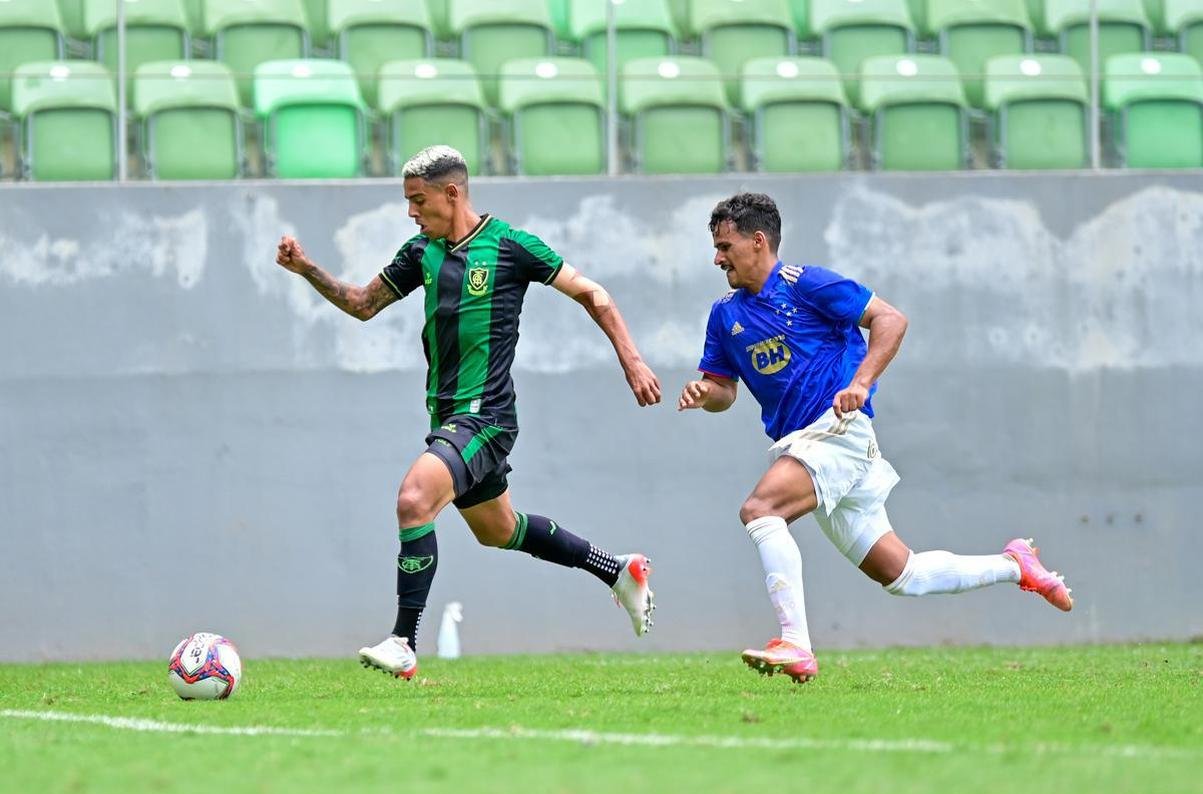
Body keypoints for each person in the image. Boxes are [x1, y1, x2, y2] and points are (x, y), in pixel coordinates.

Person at [275, 145, 660, 680]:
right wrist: (306, 269)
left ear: (452, 193)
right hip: (449, 419)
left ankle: (403, 641)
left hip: (487, 417)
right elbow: (362, 304)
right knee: (499, 530)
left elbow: (592, 293)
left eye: (418, 200)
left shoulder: (510, 246)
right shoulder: (421, 252)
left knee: (414, 499)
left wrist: (632, 360)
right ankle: (617, 570)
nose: (411, 212)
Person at [678, 192, 1072, 684]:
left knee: (761, 510)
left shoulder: (807, 284)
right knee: (904, 575)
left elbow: (891, 319)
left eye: (725, 247)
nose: (717, 259)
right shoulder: (724, 315)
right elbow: (724, 390)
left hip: (837, 431)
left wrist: (861, 382)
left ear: (758, 241)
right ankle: (1016, 565)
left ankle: (796, 643)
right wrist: (706, 393)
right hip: (804, 444)